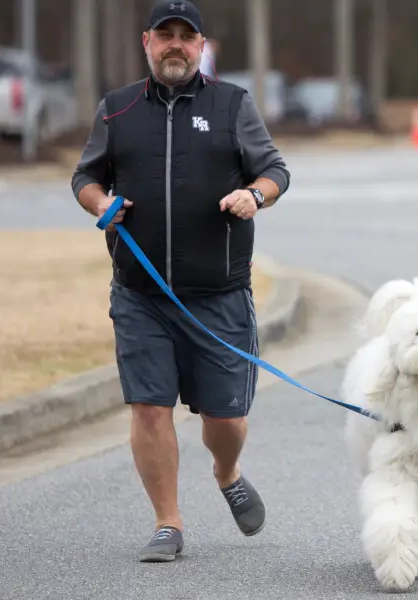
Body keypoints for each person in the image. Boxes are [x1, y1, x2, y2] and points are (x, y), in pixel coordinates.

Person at [71, 0, 290, 562]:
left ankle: (227, 470)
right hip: (140, 293)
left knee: (227, 419)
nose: (175, 45)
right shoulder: (117, 110)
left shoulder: (232, 104)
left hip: (218, 294)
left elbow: (275, 170)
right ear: (147, 42)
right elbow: (85, 176)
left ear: (201, 46)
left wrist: (254, 195)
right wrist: (102, 203)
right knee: (149, 408)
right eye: (164, 35)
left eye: (185, 37)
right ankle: (168, 523)